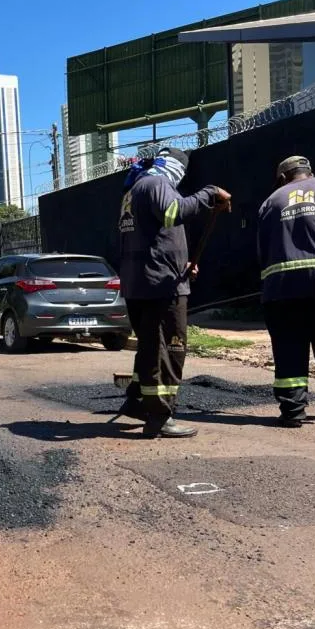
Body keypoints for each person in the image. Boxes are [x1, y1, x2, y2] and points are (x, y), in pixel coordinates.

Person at [117, 147, 231, 438]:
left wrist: (182, 265)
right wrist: (209, 192)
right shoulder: (157, 184)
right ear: (173, 167)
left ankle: (137, 401)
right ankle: (160, 417)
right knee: (170, 349)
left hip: (145, 281)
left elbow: (153, 239)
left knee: (149, 348)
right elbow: (174, 212)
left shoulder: (136, 188)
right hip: (160, 287)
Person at [257, 155, 315, 428]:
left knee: (288, 349)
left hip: (282, 290)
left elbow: (262, 251)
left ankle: (293, 411)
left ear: (283, 177)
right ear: (309, 172)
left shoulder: (271, 201)